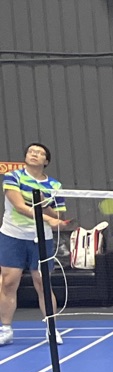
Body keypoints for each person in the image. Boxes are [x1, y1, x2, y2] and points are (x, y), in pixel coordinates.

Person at [0, 142, 70, 346]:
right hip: (13, 236)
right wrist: (48, 219)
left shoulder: (54, 186)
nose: (34, 154)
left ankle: (51, 329)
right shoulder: (13, 177)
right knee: (9, 282)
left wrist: (45, 205)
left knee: (42, 283)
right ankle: (5, 329)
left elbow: (58, 215)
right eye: (31, 151)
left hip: (41, 238)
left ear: (45, 161)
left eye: (39, 153)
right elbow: (19, 206)